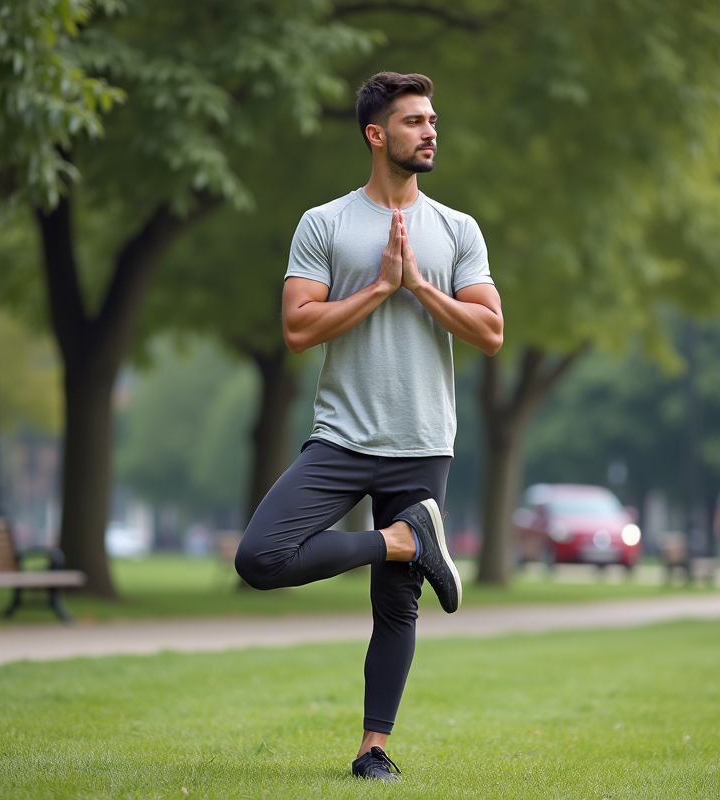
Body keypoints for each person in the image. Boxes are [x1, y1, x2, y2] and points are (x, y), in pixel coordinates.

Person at [233, 71, 503, 783]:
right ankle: (401, 541)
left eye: (433, 119)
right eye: (414, 121)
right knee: (261, 557)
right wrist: (381, 287)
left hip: (422, 442)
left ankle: (372, 749)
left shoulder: (456, 230)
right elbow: (297, 328)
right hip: (343, 438)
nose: (431, 130)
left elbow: (491, 330)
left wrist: (418, 286)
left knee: (396, 605)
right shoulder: (324, 223)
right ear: (376, 135)